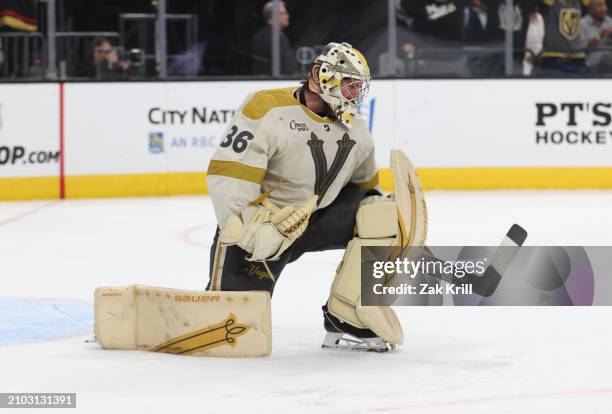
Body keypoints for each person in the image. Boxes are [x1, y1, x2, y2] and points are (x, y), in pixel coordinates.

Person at [205, 42, 418, 352]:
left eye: (359, 87)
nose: (355, 94)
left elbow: (363, 192)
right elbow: (231, 175)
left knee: (382, 214)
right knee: (232, 333)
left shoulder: (357, 132)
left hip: (317, 220)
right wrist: (246, 230)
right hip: (267, 228)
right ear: (321, 75)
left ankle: (346, 316)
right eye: (349, 84)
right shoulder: (266, 107)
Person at [536, 0, 590, 76]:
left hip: (577, 57)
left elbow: (589, 4)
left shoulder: (580, 2)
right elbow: (543, 6)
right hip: (554, 58)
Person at [250, 1, 298, 75]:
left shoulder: (259, 36)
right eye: (283, 13)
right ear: (271, 18)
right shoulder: (276, 37)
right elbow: (287, 68)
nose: (287, 16)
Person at [581, 0, 612, 73]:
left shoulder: (610, 21)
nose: (603, 8)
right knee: (606, 58)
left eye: (604, 6)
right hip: (594, 56)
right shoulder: (582, 23)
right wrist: (600, 35)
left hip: (610, 53)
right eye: (599, 6)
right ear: (590, 10)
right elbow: (581, 46)